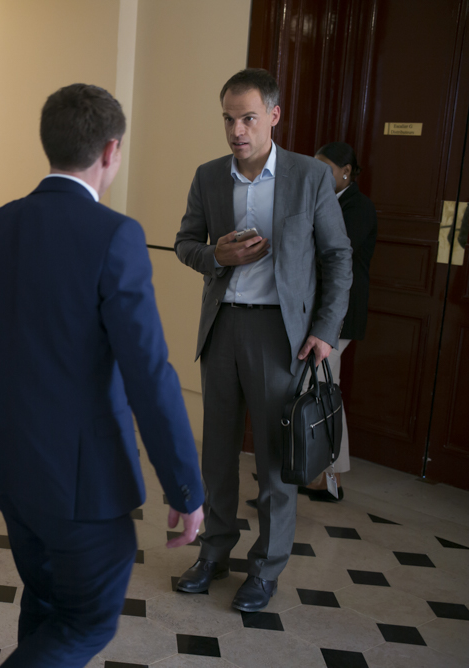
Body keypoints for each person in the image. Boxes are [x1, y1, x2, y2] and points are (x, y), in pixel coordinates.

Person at [0, 83, 205, 668]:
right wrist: (186, 487)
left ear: (48, 143)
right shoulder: (115, 236)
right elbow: (149, 372)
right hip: (82, 481)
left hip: (5, 466)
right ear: (111, 151)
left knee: (47, 600)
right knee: (86, 621)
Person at [173, 68, 352, 612]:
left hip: (283, 336)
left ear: (273, 115)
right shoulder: (208, 176)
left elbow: (337, 257)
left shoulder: (308, 177)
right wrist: (215, 256)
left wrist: (324, 330)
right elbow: (185, 243)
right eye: (228, 119)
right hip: (223, 327)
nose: (237, 130)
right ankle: (214, 553)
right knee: (218, 455)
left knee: (276, 460)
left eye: (248, 117)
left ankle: (266, 569)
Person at [306, 141, 378, 500]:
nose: (319, 175)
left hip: (341, 313)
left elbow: (332, 253)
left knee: (322, 391)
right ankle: (324, 475)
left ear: (346, 171)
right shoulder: (325, 201)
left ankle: (329, 478)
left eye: (326, 170)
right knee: (320, 391)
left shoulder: (359, 207)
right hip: (321, 312)